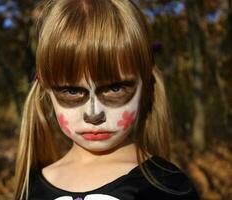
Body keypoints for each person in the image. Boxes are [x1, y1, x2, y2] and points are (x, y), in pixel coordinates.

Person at [14, 0, 200, 199]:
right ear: (47, 90)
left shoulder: (167, 187)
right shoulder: (32, 188)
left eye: (115, 88)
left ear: (144, 85)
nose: (94, 114)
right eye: (71, 91)